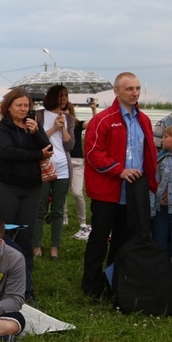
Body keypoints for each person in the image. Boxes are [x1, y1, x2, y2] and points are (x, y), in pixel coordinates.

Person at [82, 72, 157, 300]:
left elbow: (149, 154)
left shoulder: (144, 120)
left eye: (137, 88)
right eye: (129, 89)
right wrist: (119, 170)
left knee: (123, 240)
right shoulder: (103, 119)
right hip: (107, 191)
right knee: (99, 239)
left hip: (133, 191)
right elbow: (93, 152)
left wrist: (152, 184)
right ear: (117, 91)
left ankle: (114, 282)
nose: (135, 93)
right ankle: (91, 286)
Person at [0, 88, 52, 302]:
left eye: (27, 105)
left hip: (32, 188)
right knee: (5, 234)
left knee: (27, 236)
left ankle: (25, 286)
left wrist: (36, 133)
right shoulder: (2, 128)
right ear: (9, 107)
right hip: (6, 186)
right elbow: (7, 152)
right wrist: (36, 154)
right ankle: (0, 282)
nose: (24, 109)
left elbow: (48, 149)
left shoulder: (33, 125)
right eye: (19, 105)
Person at [33, 85, 75, 261]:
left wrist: (63, 127)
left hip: (63, 168)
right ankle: (36, 246)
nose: (64, 99)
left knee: (58, 210)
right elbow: (35, 140)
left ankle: (55, 248)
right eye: (60, 95)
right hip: (43, 167)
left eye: (66, 95)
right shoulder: (39, 115)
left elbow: (70, 145)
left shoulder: (69, 118)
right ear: (51, 97)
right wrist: (53, 128)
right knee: (40, 208)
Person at [151, 125, 172, 290]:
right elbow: (155, 181)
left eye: (166, 136)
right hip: (161, 210)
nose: (162, 139)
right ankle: (160, 276)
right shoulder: (161, 158)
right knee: (159, 244)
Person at [67, 100, 97, 240]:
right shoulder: (56, 126)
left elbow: (94, 124)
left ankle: (83, 221)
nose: (64, 112)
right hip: (62, 160)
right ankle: (63, 218)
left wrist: (93, 109)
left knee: (78, 192)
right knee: (61, 193)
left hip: (77, 161)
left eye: (67, 110)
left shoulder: (77, 124)